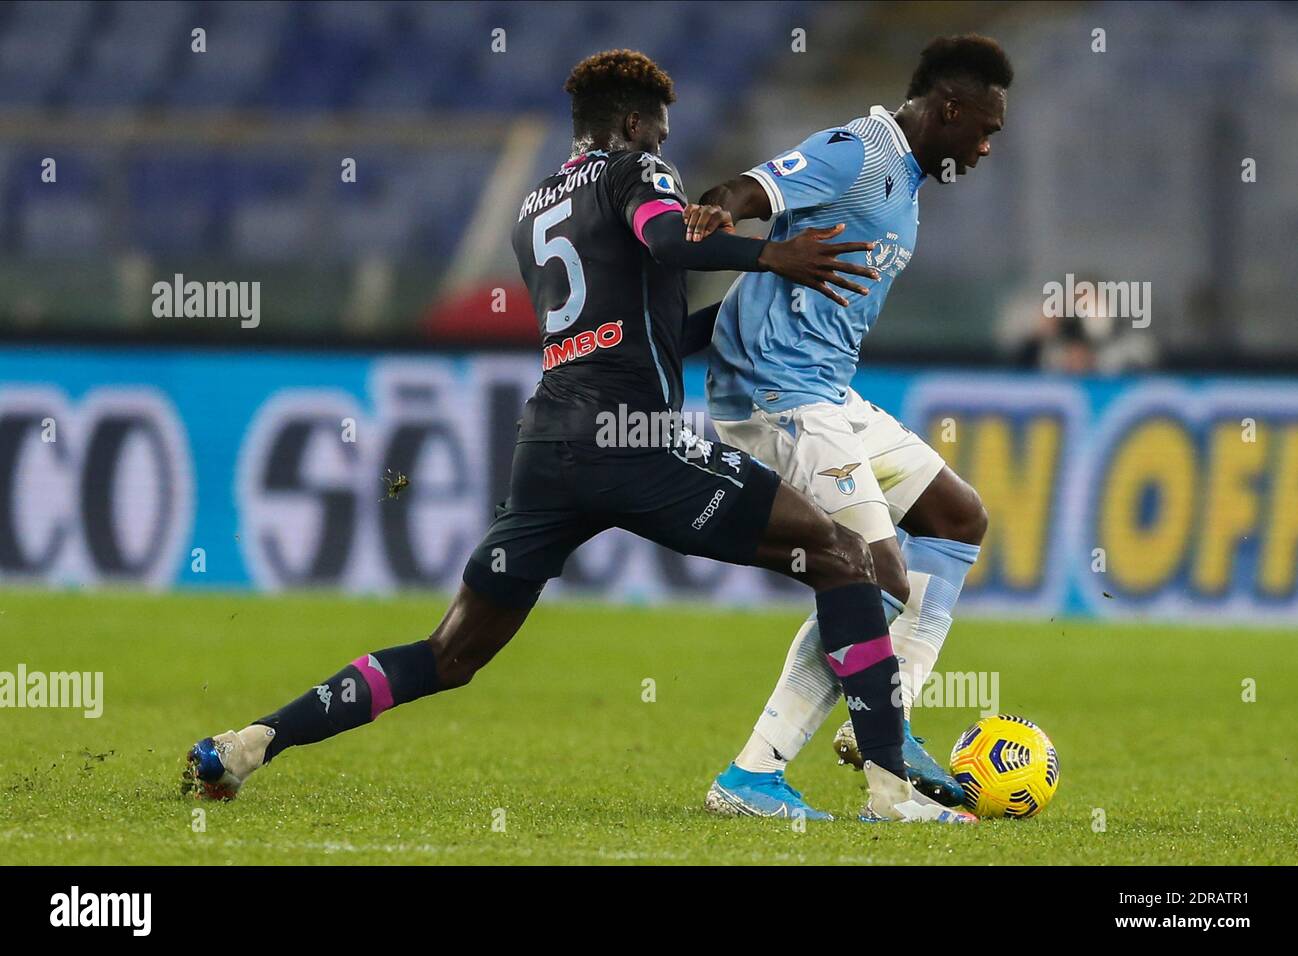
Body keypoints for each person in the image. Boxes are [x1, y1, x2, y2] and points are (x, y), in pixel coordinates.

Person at [183, 49, 974, 825]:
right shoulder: (634, 172)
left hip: (550, 447)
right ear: (632, 122)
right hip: (636, 442)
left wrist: (742, 319)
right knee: (841, 558)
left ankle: (253, 741)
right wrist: (775, 257)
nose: (664, 148)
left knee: (450, 654)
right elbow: (668, 239)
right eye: (659, 133)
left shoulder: (534, 211)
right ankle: (884, 789)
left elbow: (633, 329)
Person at [683, 35, 1011, 818]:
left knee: (956, 517)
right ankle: (771, 777)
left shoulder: (905, 181)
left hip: (829, 394)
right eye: (987, 128)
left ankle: (883, 731)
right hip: (777, 398)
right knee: (872, 576)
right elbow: (752, 188)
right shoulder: (860, 151)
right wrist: (719, 210)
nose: (990, 145)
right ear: (950, 109)